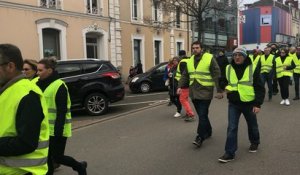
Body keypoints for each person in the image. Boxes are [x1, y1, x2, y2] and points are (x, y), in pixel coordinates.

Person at [0, 44, 49, 174]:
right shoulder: (6, 91)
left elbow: (26, 142)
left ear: (10, 66)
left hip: (24, 172)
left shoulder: (27, 94)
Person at [36, 57, 87, 175]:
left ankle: (80, 166)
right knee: (47, 157)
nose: (37, 73)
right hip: (44, 130)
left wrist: (58, 132)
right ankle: (79, 166)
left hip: (57, 130)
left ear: (49, 70)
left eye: (40, 70)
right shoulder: (38, 84)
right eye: (37, 70)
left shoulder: (59, 86)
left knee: (57, 157)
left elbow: (61, 111)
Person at [218, 47, 265, 163]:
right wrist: (224, 88)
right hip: (234, 103)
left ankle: (255, 142)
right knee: (232, 128)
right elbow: (223, 80)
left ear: (245, 56)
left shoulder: (252, 68)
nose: (237, 57)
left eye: (240, 55)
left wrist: (257, 104)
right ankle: (230, 153)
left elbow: (259, 88)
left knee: (252, 125)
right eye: (235, 55)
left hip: (249, 103)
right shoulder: (228, 67)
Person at [177, 41, 223, 147]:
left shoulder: (209, 58)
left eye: (197, 48)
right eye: (193, 48)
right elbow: (185, 75)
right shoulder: (189, 60)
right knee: (202, 114)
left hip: (206, 91)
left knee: (202, 114)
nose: (195, 50)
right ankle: (209, 130)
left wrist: (219, 90)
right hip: (193, 91)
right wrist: (179, 86)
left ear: (201, 49)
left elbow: (217, 73)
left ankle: (200, 137)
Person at [176, 50, 195, 121]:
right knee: (185, 99)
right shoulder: (189, 60)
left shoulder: (182, 62)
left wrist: (181, 85)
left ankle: (190, 114)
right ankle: (188, 113)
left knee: (182, 99)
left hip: (184, 84)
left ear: (180, 56)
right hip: (190, 83)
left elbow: (184, 75)